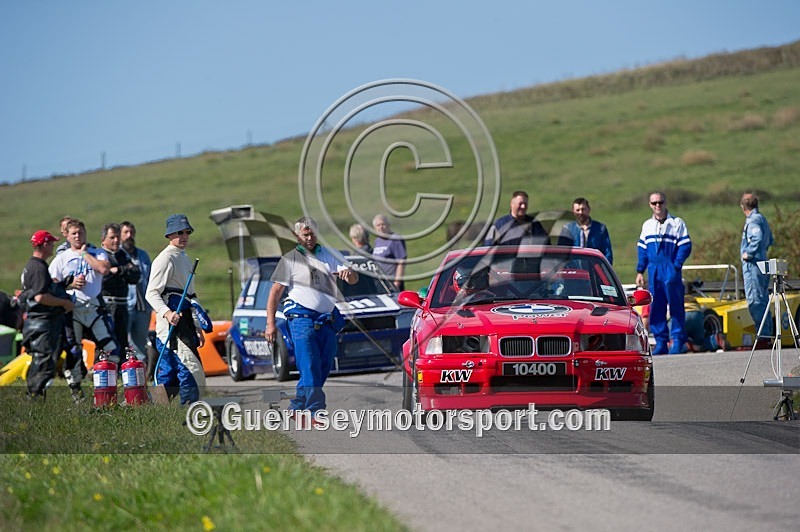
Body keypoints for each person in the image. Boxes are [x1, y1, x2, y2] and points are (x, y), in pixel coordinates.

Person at [265, 216, 358, 417]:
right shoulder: (289, 259)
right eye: (305, 235)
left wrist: (349, 274)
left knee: (323, 366)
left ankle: (297, 405)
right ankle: (315, 411)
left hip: (326, 321)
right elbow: (275, 293)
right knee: (309, 365)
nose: (310, 238)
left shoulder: (328, 254)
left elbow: (352, 277)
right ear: (297, 236)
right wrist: (270, 324)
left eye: (313, 234)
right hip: (301, 319)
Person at [49, 219, 116, 398]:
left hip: (94, 309)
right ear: (68, 236)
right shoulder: (61, 258)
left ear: (85, 233)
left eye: (80, 232)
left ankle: (105, 389)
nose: (77, 236)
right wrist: (69, 284)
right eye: (73, 233)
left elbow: (103, 269)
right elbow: (51, 284)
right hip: (72, 310)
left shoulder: (97, 252)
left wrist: (84, 254)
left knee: (111, 348)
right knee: (74, 350)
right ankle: (76, 393)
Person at [145, 214, 206, 404]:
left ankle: (159, 409)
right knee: (186, 368)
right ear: (170, 234)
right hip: (170, 326)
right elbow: (151, 293)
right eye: (180, 232)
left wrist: (197, 327)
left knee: (173, 372)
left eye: (187, 232)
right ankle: (187, 409)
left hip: (185, 322)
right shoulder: (165, 259)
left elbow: (192, 297)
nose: (184, 236)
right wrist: (167, 312)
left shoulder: (185, 259)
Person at [635, 192, 692, 355]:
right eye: (654, 203)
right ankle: (660, 341)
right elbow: (642, 250)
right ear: (650, 205)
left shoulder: (676, 223)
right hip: (653, 269)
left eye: (660, 202)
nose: (657, 206)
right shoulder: (647, 225)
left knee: (675, 305)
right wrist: (640, 270)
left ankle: (677, 340)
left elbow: (685, 245)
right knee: (656, 305)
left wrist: (676, 265)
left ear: (665, 203)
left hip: (670, 268)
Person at [20, 230, 74, 399]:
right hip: (42, 323)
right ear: (44, 245)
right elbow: (40, 296)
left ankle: (35, 396)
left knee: (41, 360)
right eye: (51, 243)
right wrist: (64, 303)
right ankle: (33, 397)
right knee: (44, 362)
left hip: (37, 323)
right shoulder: (38, 267)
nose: (53, 246)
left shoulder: (32, 265)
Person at [100, 223, 141, 355]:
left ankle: (120, 371)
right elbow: (104, 280)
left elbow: (135, 276)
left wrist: (117, 270)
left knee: (123, 341)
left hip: (123, 304)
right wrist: (124, 271)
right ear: (103, 239)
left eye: (117, 237)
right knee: (108, 341)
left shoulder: (122, 255)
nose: (116, 240)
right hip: (107, 304)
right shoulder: (100, 256)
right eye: (112, 237)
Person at [740, 192, 774, 343]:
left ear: (743, 207)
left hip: (753, 265)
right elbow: (769, 239)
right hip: (762, 263)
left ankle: (763, 336)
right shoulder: (762, 219)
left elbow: (757, 237)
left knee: (755, 300)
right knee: (762, 299)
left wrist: (749, 253)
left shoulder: (753, 220)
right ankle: (767, 334)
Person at [120, 221, 152, 359]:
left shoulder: (143, 255)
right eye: (126, 232)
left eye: (132, 232)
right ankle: (120, 372)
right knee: (121, 342)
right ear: (120, 235)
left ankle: (140, 373)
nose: (129, 236)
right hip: (125, 305)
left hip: (143, 306)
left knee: (140, 345)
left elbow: (150, 278)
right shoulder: (117, 256)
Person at [558, 197, 613, 264]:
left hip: (594, 270)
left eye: (583, 209)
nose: (581, 212)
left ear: (589, 209)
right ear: (573, 212)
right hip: (574, 269)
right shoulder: (567, 229)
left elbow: (607, 252)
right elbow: (561, 254)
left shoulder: (600, 229)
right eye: (577, 210)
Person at [484, 190, 548, 247]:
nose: (523, 206)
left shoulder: (535, 224)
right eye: (520, 204)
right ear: (512, 204)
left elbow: (546, 246)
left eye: (525, 204)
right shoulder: (500, 225)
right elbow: (488, 249)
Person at [372, 214, 406, 290]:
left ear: (388, 225)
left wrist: (397, 283)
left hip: (392, 283)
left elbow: (401, 262)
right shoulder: (377, 241)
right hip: (381, 283)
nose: (381, 227)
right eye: (378, 225)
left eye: (383, 224)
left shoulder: (395, 239)